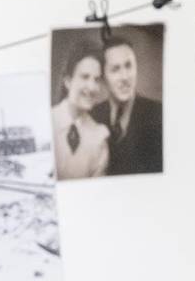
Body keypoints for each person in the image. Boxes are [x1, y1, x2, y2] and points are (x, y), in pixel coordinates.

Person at [98, 31, 165, 175]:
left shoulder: (159, 114)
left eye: (129, 66)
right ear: (103, 78)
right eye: (115, 69)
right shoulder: (92, 117)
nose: (125, 77)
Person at [51, 41, 110, 180]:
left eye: (97, 79)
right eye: (85, 77)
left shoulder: (99, 137)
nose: (92, 87)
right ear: (68, 82)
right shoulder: (48, 121)